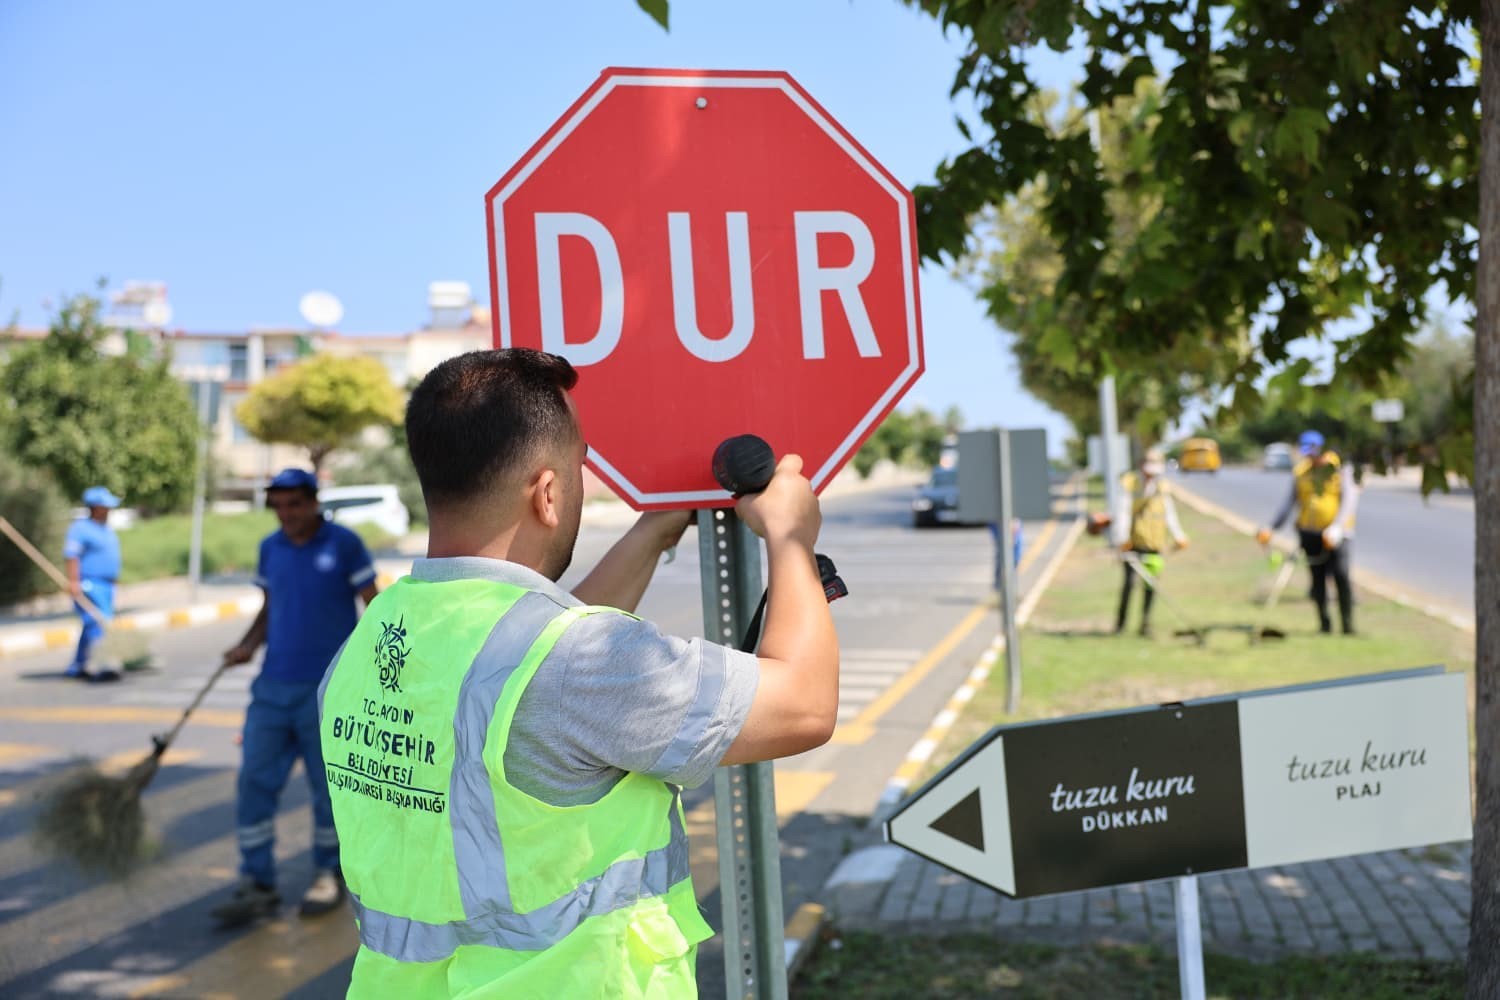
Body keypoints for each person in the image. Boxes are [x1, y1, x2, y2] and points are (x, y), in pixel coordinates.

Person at [318, 349, 839, 997]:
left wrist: (654, 530)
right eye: (580, 464)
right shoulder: (569, 665)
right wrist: (791, 537)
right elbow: (804, 707)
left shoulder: (375, 635)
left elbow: (534, 671)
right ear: (548, 493)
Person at [211, 467, 379, 928]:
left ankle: (328, 872)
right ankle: (258, 882)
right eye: (278, 506)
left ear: (313, 503)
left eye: (294, 505)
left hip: (327, 692)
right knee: (253, 784)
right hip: (271, 688)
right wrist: (247, 644)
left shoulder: (344, 544)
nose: (285, 514)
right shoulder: (271, 549)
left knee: (328, 791)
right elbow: (271, 608)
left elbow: (374, 606)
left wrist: (369, 671)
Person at [1258, 430, 1358, 634]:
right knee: (1317, 580)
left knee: (1341, 576)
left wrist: (1338, 526)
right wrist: (1271, 527)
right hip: (1309, 533)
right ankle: (1324, 625)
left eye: (1312, 452)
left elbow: (1349, 500)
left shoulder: (1339, 468)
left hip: (1336, 534)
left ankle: (1348, 626)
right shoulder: (1301, 471)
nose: (1309, 457)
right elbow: (1289, 503)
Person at [1112, 448, 1188, 637]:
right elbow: (1122, 512)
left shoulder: (1162, 486)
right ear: (1141, 466)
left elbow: (1169, 513)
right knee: (1129, 585)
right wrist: (1122, 539)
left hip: (1155, 543)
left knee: (1151, 585)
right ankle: (1121, 625)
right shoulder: (1131, 483)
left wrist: (1179, 535)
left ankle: (1145, 625)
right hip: (1133, 542)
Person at [62, 486, 123, 680]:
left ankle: (78, 666)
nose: (109, 510)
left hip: (106, 585)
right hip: (89, 583)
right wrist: (73, 582)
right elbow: (72, 556)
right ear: (96, 507)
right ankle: (104, 663)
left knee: (91, 623)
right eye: (106, 506)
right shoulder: (80, 529)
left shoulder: (104, 528)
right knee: (97, 622)